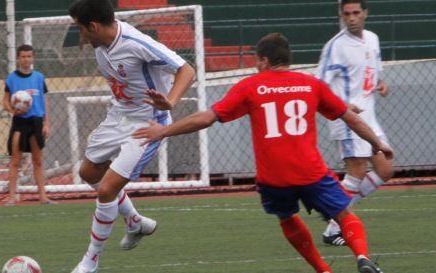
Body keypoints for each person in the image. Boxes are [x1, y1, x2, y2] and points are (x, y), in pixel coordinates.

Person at [134, 33, 390, 273]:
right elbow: (352, 119)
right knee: (343, 214)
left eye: (257, 60)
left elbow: (206, 118)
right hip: (311, 172)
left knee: (287, 218)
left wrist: (164, 131)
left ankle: (323, 270)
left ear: (264, 60)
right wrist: (378, 144)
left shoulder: (251, 86)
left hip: (274, 178)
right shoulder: (311, 84)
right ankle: (362, 257)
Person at [67, 0, 195, 272]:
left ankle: (90, 262)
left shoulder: (136, 42)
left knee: (106, 189)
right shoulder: (100, 43)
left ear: (93, 26)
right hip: (118, 116)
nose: (80, 35)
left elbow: (187, 69)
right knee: (89, 173)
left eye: (80, 29)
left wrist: (170, 101)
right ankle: (135, 222)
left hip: (147, 124)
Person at [316, 0, 394, 246]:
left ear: (365, 14)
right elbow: (320, 85)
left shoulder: (372, 39)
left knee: (385, 170)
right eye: (346, 14)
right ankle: (334, 226)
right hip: (347, 121)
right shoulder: (335, 46)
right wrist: (342, 105)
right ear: (341, 15)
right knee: (357, 172)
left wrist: (379, 85)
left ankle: (334, 217)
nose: (351, 18)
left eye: (356, 13)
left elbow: (370, 74)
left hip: (369, 118)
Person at [3, 44, 55, 206]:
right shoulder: (11, 78)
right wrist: (12, 109)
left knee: (38, 161)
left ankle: (43, 196)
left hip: (36, 122)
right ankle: (12, 197)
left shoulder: (39, 77)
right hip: (19, 123)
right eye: (23, 57)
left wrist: (46, 123)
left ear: (33, 58)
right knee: (15, 160)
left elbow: (45, 101)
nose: (26, 59)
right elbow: (5, 101)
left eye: (29, 56)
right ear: (18, 58)